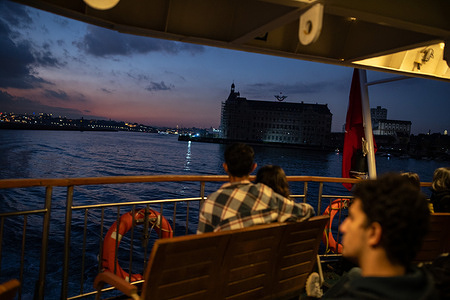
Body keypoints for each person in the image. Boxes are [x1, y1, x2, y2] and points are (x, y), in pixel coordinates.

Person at [306, 173, 439, 300]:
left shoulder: (357, 295)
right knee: (354, 274)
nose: (343, 227)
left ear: (374, 233)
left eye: (352, 218)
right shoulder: (428, 287)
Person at [197, 143, 315, 233]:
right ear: (253, 168)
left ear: (225, 167)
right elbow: (306, 211)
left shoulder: (211, 202)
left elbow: (202, 243)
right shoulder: (266, 194)